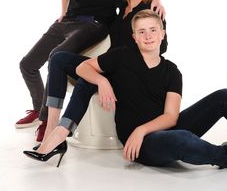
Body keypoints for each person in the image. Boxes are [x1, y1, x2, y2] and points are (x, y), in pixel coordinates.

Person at [24, 10, 227, 170]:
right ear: (135, 37)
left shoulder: (172, 71)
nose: (148, 36)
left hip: (155, 130)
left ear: (162, 34)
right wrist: (102, 82)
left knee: (222, 96)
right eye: (141, 32)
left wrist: (142, 129)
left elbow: (171, 117)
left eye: (153, 30)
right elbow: (82, 67)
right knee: (181, 139)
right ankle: (222, 156)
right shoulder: (122, 57)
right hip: (141, 143)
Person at [33, 0, 167, 143]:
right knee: (58, 58)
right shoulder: (123, 5)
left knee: (86, 81)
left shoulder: (150, 9)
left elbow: (162, 47)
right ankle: (51, 126)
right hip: (108, 64)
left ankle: (60, 135)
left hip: (125, 71)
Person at [16, 0, 123, 141]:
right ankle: (38, 108)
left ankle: (47, 119)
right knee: (27, 64)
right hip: (68, 21)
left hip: (95, 23)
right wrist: (63, 11)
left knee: (57, 55)